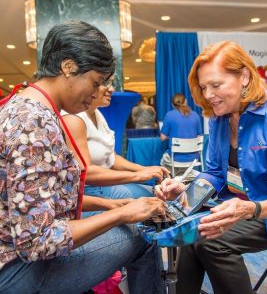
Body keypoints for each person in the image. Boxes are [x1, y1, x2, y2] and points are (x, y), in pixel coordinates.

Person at [0, 20, 167, 294]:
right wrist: (122, 214)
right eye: (95, 82)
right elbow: (37, 242)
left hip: (14, 256)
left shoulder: (27, 107)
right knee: (143, 235)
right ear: (68, 67)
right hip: (18, 271)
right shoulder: (33, 122)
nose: (96, 92)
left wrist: (108, 205)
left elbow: (41, 200)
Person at [155, 40, 267, 294]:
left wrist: (246, 209)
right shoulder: (219, 117)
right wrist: (185, 189)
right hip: (235, 205)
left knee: (211, 242)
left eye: (216, 85)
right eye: (203, 87)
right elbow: (214, 174)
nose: (209, 95)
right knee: (189, 232)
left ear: (244, 76)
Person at [62, 76, 169, 209]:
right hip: (87, 195)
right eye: (105, 83)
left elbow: (111, 158)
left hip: (105, 188)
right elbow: (85, 172)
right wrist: (136, 176)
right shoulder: (72, 118)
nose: (112, 89)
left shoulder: (98, 114)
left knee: (160, 197)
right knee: (147, 211)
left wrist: (145, 169)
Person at [160, 93, 202, 175]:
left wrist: (172, 137)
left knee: (162, 161)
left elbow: (162, 137)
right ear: (185, 101)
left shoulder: (169, 115)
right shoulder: (195, 115)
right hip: (193, 159)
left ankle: (170, 180)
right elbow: (199, 137)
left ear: (172, 104)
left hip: (175, 159)